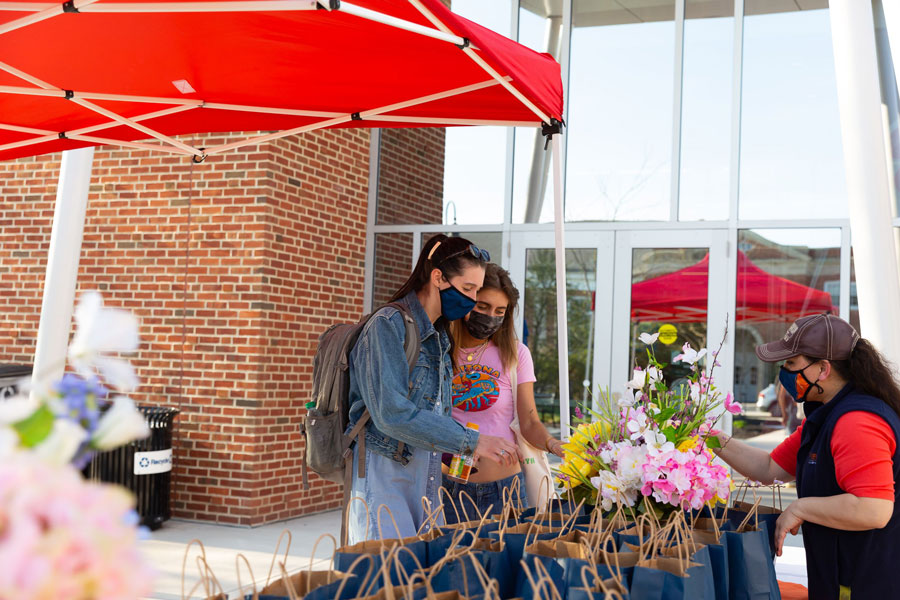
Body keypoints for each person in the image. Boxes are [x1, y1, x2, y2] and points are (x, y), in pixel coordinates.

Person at [711, 313, 900, 599]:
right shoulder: (826, 414)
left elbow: (873, 509)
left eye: (790, 364)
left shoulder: (856, 421)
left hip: (866, 584)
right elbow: (769, 467)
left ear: (823, 369)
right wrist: (708, 437)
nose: (784, 373)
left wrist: (800, 508)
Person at [345, 235, 519, 544]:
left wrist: (454, 452)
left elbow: (434, 412)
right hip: (385, 477)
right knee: (389, 580)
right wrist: (471, 441)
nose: (471, 299)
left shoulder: (439, 336)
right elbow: (391, 414)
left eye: (476, 290)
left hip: (425, 478)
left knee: (422, 579)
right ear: (438, 277)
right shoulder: (387, 325)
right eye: (467, 289)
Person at [442, 263, 564, 519]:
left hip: (504, 490)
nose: (490, 317)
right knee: (451, 560)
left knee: (508, 559)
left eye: (500, 311)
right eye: (482, 306)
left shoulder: (516, 354)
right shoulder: (439, 350)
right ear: (466, 301)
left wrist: (553, 445)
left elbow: (529, 421)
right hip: (447, 489)